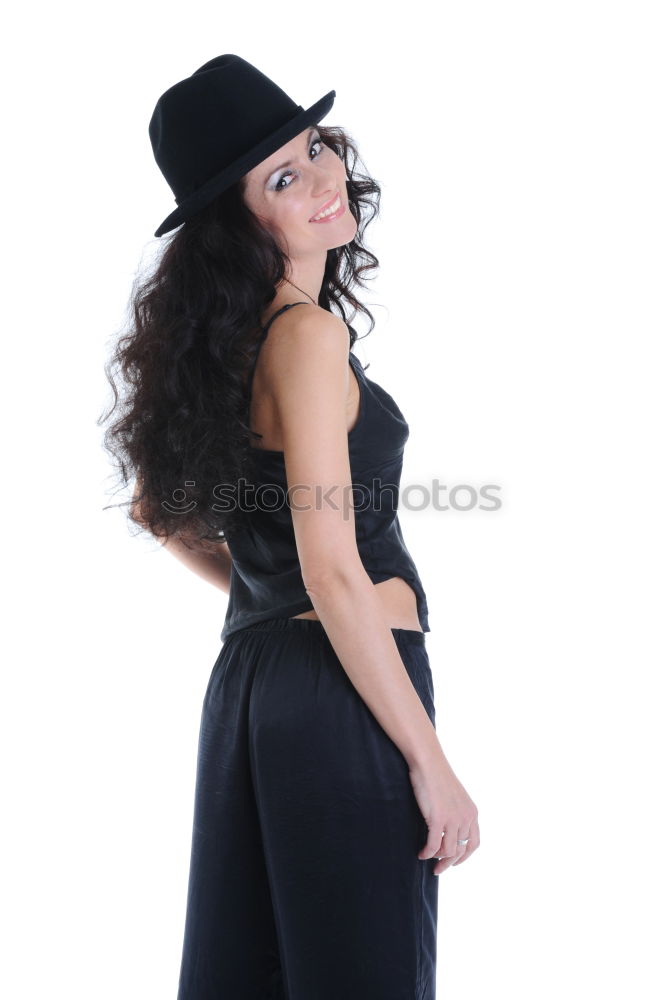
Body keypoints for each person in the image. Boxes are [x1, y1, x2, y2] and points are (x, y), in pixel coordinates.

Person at [102, 54, 479, 999]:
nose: (321, 180)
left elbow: (161, 513)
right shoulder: (305, 339)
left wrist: (271, 597)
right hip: (337, 694)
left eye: (314, 149)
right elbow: (336, 572)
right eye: (281, 177)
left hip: (255, 691)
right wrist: (433, 769)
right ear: (239, 223)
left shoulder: (227, 347)